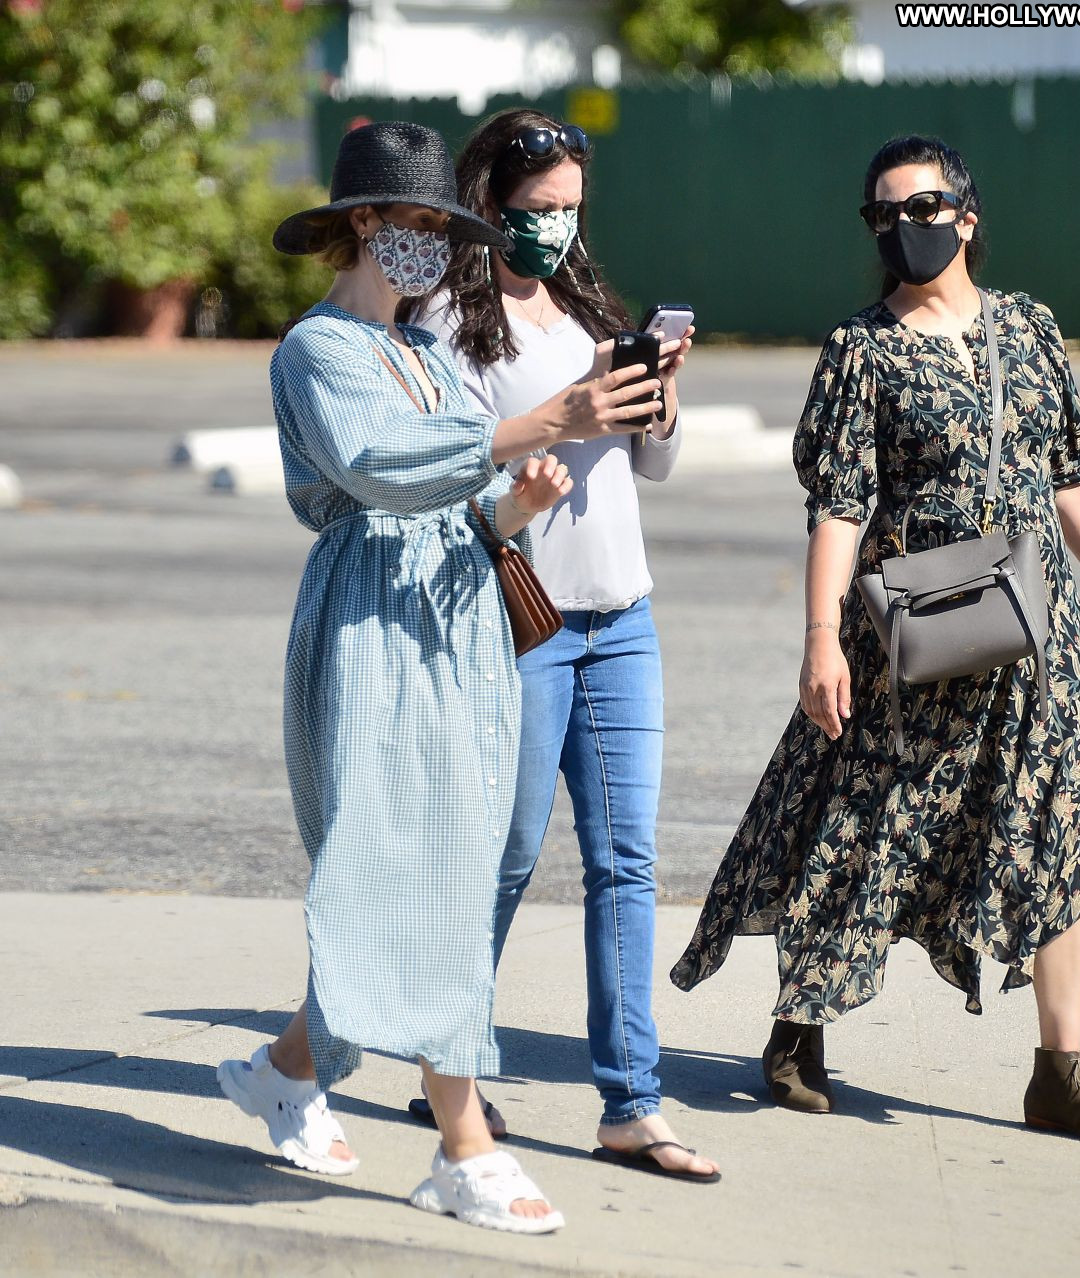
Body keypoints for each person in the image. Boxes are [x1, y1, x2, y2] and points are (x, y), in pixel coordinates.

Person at [671, 135, 1080, 1145]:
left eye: (922, 206)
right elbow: (838, 507)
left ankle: (1058, 1073)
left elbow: (1067, 481)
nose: (903, 226)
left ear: (966, 216)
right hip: (912, 633)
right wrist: (820, 638)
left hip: (1037, 638)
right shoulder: (859, 350)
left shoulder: (1029, 329)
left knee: (1052, 827)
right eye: (883, 213)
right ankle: (798, 1026)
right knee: (861, 820)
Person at [214, 120, 663, 1234]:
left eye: (442, 227)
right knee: (401, 868)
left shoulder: (420, 354)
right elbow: (379, 467)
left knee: (438, 872)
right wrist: (542, 421)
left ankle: (285, 1072)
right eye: (417, 223)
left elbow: (457, 498)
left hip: (458, 619)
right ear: (364, 223)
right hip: (372, 622)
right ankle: (464, 1147)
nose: (433, 245)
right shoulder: (316, 350)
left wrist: (513, 507)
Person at [404, 107, 720, 1183]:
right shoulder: (445, 320)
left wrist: (658, 400)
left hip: (622, 619)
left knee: (625, 863)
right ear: (487, 202)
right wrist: (563, 415)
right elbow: (445, 467)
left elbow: (652, 468)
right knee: (501, 858)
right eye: (536, 209)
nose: (555, 228)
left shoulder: (589, 306)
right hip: (521, 622)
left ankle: (632, 1104)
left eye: (571, 209)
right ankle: (447, 1066)